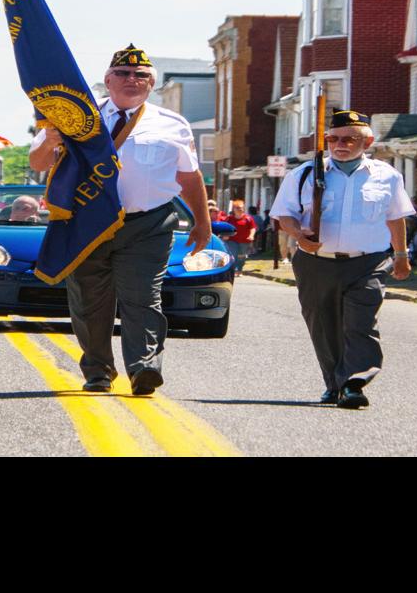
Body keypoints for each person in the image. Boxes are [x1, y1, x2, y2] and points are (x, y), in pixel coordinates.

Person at [28, 44, 211, 396]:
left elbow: (190, 177)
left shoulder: (172, 123)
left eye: (141, 75)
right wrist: (49, 140)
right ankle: (98, 370)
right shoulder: (77, 116)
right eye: (123, 74)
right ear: (108, 80)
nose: (132, 80)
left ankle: (144, 368)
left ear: (152, 84)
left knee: (143, 296)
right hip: (86, 222)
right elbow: (38, 163)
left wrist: (203, 223)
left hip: (148, 223)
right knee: (89, 299)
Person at [271, 109, 414, 410]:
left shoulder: (387, 176)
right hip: (316, 261)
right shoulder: (305, 174)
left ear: (368, 141)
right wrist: (300, 235)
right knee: (324, 326)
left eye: (350, 138)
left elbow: (396, 218)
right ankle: (335, 383)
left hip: (368, 261)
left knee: (360, 323)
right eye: (334, 138)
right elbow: (284, 215)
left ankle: (354, 382)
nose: (341, 144)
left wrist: (401, 255)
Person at [223, 198, 258, 275]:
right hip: (232, 240)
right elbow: (224, 228)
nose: (240, 209)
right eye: (238, 208)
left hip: (244, 241)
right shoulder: (229, 219)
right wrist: (225, 235)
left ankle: (240, 269)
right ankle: (234, 270)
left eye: (242, 207)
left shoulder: (248, 218)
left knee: (241, 256)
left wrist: (251, 235)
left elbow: (253, 228)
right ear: (234, 209)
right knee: (233, 254)